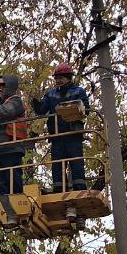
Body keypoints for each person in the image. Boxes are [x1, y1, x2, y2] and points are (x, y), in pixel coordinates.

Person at [32, 62, 90, 192]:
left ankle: (79, 188)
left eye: (60, 78)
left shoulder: (78, 91)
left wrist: (72, 108)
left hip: (73, 134)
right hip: (57, 136)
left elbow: (86, 110)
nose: (58, 81)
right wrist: (37, 105)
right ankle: (59, 189)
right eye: (56, 78)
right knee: (57, 165)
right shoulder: (51, 94)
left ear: (68, 78)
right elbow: (42, 110)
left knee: (76, 163)